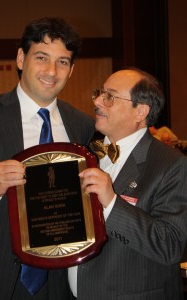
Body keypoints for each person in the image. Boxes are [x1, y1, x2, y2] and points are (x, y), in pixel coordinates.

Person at [0, 17, 95, 300]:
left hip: (58, 281)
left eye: (63, 62)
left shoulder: (83, 126)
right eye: (42, 57)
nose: (51, 71)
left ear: (72, 69)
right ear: (20, 58)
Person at [67, 68, 187, 299]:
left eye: (110, 96)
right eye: (100, 93)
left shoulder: (172, 165)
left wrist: (111, 202)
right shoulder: (85, 154)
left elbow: (171, 246)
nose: (97, 100)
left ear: (140, 111)